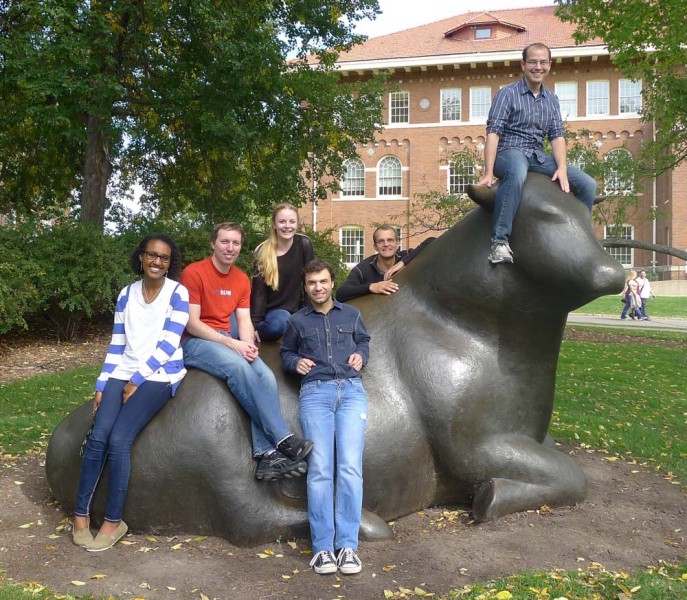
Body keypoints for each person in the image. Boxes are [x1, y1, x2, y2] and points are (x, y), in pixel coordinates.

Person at [72, 234, 190, 552]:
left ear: (170, 262)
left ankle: (113, 522)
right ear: (141, 257)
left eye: (164, 258)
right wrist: (102, 383)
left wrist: (138, 378)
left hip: (160, 374)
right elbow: (117, 343)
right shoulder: (127, 294)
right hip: (123, 370)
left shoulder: (178, 293)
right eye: (151, 255)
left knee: (120, 439)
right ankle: (80, 516)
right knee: (98, 437)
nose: (157, 262)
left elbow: (169, 345)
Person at [180, 222, 313, 481]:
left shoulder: (240, 278)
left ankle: (266, 456)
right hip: (195, 342)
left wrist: (248, 344)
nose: (230, 248)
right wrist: (234, 345)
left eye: (236, 243)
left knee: (264, 375)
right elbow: (192, 323)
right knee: (237, 367)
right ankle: (282, 438)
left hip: (227, 338)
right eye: (225, 242)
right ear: (213, 243)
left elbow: (243, 321)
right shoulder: (194, 273)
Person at [281, 259, 371, 576]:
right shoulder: (296, 322)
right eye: (311, 283)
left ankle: (347, 546)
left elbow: (364, 340)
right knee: (320, 469)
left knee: (349, 467)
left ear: (331, 282)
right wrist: (294, 363)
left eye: (323, 281)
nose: (318, 287)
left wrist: (363, 354)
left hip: (351, 391)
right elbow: (286, 353)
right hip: (315, 393)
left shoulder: (352, 314)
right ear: (305, 288)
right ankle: (322, 549)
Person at [476, 42, 597, 264]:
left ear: (549, 65)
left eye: (543, 62)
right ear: (523, 65)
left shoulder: (551, 100)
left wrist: (561, 168)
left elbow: (557, 136)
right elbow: (493, 132)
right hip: (509, 152)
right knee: (517, 169)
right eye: (532, 61)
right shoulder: (507, 94)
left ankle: (580, 238)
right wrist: (488, 172)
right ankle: (499, 242)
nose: (538, 66)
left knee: (588, 184)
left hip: (537, 157)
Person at [251, 203, 315, 341]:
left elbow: (310, 280)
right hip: (274, 313)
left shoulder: (304, 244)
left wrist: (312, 312)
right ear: (274, 224)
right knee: (276, 326)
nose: (287, 226)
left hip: (298, 310)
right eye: (282, 222)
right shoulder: (263, 251)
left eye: (292, 221)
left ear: (297, 223)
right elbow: (259, 293)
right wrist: (254, 325)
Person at [335, 225, 434, 302]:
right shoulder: (363, 268)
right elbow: (341, 293)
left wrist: (402, 263)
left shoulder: (407, 256)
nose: (386, 244)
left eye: (390, 240)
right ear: (375, 246)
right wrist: (372, 287)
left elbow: (432, 241)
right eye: (381, 241)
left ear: (397, 244)